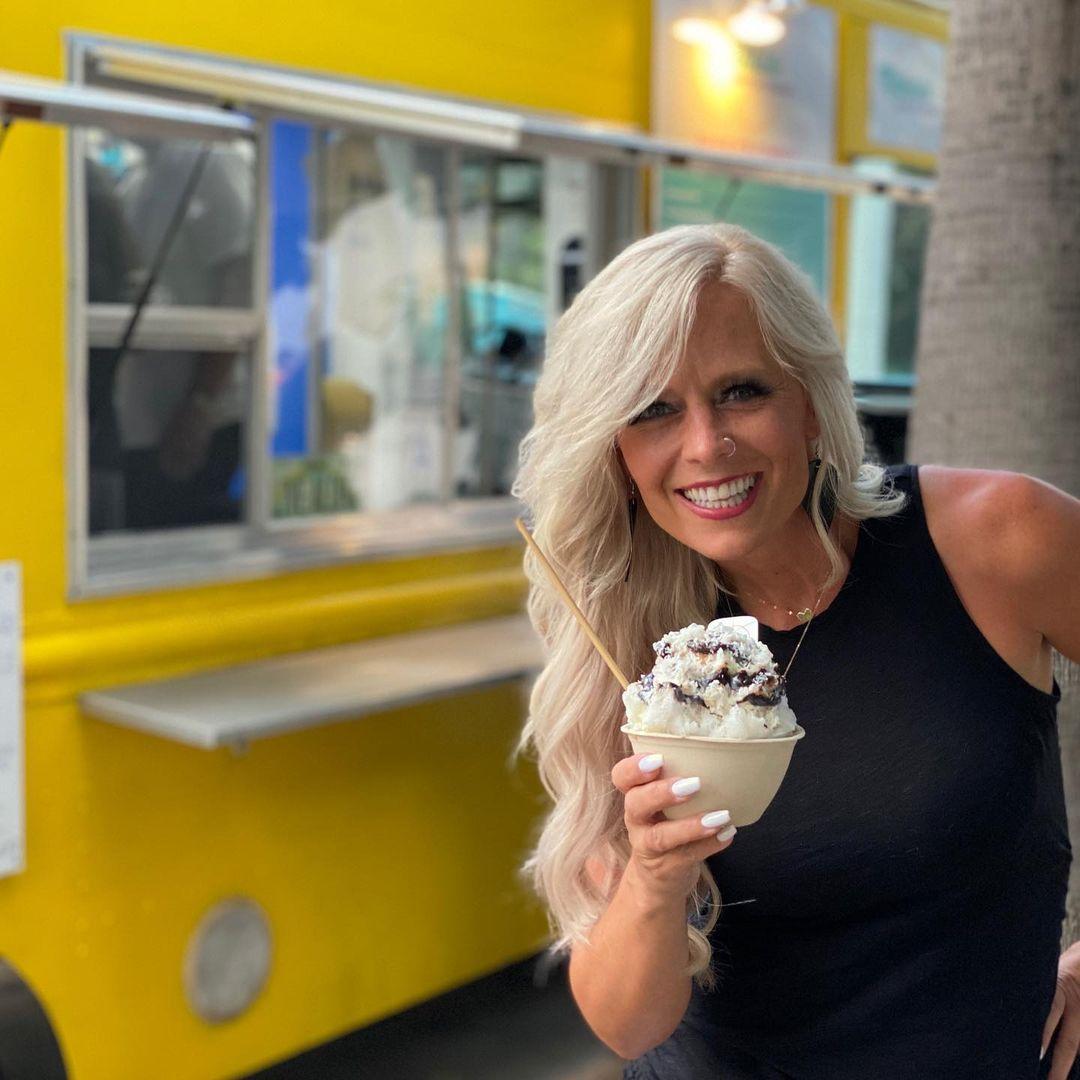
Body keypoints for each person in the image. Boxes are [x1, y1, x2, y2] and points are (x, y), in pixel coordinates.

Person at [512, 223, 1080, 1079]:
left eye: (741, 392)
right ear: (615, 449)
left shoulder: (993, 540)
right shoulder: (620, 634)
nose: (705, 445)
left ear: (811, 403)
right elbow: (628, 1026)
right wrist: (657, 880)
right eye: (654, 409)